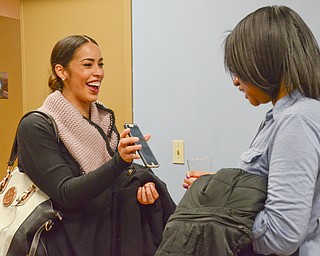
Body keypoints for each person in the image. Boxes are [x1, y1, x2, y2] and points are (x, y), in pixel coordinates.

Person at [16, 35, 174, 255]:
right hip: (66, 244)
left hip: (110, 236)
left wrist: (140, 184)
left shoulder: (102, 119)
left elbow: (115, 178)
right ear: (61, 71)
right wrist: (120, 161)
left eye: (100, 65)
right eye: (87, 65)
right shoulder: (36, 126)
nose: (98, 72)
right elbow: (66, 193)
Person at [183, 5, 320, 256]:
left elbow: (281, 235)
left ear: (265, 61)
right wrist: (220, 188)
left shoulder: (295, 120)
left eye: (238, 69)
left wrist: (219, 210)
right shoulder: (283, 118)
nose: (235, 80)